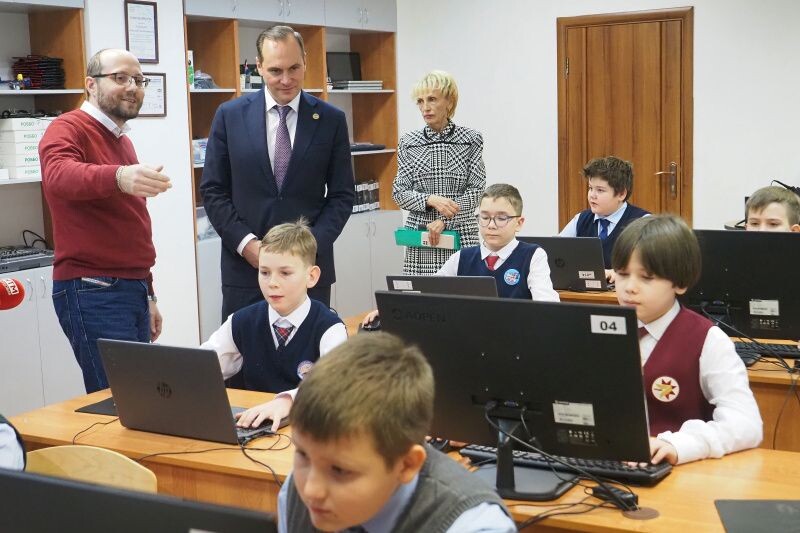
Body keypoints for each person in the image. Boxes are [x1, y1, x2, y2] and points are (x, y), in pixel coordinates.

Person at [278, 332, 516, 533]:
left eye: (339, 470)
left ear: (407, 464)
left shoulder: (472, 525)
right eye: (303, 455)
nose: (311, 490)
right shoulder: (294, 493)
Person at [39, 48, 171, 393]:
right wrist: (119, 177)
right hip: (94, 287)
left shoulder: (121, 141)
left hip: (130, 287)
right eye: (120, 78)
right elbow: (58, 176)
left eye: (139, 80)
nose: (132, 87)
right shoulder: (67, 127)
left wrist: (149, 293)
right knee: (122, 400)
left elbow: (130, 225)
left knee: (141, 398)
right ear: (91, 84)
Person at [201, 25, 354, 317]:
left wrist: (308, 248)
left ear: (305, 61)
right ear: (259, 67)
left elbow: (342, 195)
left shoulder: (331, 119)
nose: (286, 80)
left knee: (309, 347)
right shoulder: (229, 116)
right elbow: (213, 190)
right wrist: (248, 245)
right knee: (244, 346)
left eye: (294, 68)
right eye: (275, 71)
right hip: (246, 271)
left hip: (308, 273)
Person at [611, 215, 762, 465]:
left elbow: (746, 424)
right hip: (602, 466)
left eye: (646, 277)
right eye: (622, 274)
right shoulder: (598, 330)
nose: (630, 287)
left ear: (680, 283)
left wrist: (679, 444)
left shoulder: (708, 339)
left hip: (677, 473)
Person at [201, 220, 347, 431]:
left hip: (308, 431)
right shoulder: (242, 320)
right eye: (265, 272)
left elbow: (336, 384)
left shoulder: (329, 327)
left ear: (311, 276)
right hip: (253, 427)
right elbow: (204, 366)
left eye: (285, 273)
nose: (272, 283)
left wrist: (287, 401)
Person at [362, 184, 557, 326]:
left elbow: (548, 307)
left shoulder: (533, 256)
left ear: (519, 223)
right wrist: (390, 308)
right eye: (485, 217)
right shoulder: (462, 257)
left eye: (501, 218)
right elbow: (428, 291)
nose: (491, 225)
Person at [392, 70, 486, 275]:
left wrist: (445, 221)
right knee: (422, 295)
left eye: (432, 99)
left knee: (464, 293)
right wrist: (430, 199)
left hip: (461, 233)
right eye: (420, 101)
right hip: (422, 236)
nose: (425, 107)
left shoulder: (470, 139)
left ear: (449, 102)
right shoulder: (408, 142)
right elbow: (399, 193)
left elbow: (476, 191)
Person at [560, 156, 649, 280]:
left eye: (600, 190)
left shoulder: (643, 222)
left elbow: (651, 265)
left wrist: (622, 273)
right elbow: (555, 251)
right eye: (590, 188)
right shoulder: (581, 219)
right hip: (582, 289)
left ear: (621, 194)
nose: (592, 195)